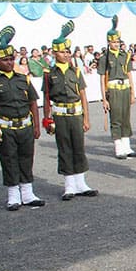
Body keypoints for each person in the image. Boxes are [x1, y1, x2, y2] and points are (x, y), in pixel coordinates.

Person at [0, 26, 46, 211]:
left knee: (26, 157)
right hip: (5, 127)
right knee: (8, 159)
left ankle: (27, 193)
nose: (9, 62)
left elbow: (33, 102)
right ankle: (13, 195)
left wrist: (36, 126)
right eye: (5, 60)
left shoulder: (22, 79)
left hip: (25, 125)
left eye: (11, 59)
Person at [42, 20, 97, 201]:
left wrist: (86, 118)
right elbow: (46, 97)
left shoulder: (76, 71)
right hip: (60, 115)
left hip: (76, 114)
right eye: (62, 52)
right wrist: (47, 119)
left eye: (68, 52)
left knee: (78, 147)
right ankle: (69, 185)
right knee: (64, 148)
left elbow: (83, 95)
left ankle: (81, 183)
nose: (65, 55)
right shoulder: (49, 73)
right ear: (54, 52)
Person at [97, 15, 136, 160]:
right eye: (113, 42)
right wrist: (104, 99)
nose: (116, 44)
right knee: (116, 118)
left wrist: (133, 92)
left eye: (118, 41)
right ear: (109, 42)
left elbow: (129, 74)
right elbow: (102, 78)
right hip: (113, 90)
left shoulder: (125, 55)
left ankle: (127, 146)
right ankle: (118, 147)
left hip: (125, 88)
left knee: (126, 117)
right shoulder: (104, 58)